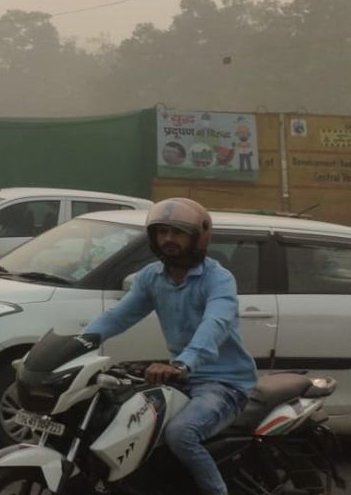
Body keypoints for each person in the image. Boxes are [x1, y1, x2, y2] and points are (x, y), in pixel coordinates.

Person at [83, 197, 256, 495]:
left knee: (180, 434)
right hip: (181, 379)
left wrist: (181, 363)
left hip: (224, 383)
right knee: (124, 426)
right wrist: (79, 341)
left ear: (198, 237)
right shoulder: (152, 277)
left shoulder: (219, 279)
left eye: (178, 233)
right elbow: (119, 316)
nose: (168, 239)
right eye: (162, 232)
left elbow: (214, 324)